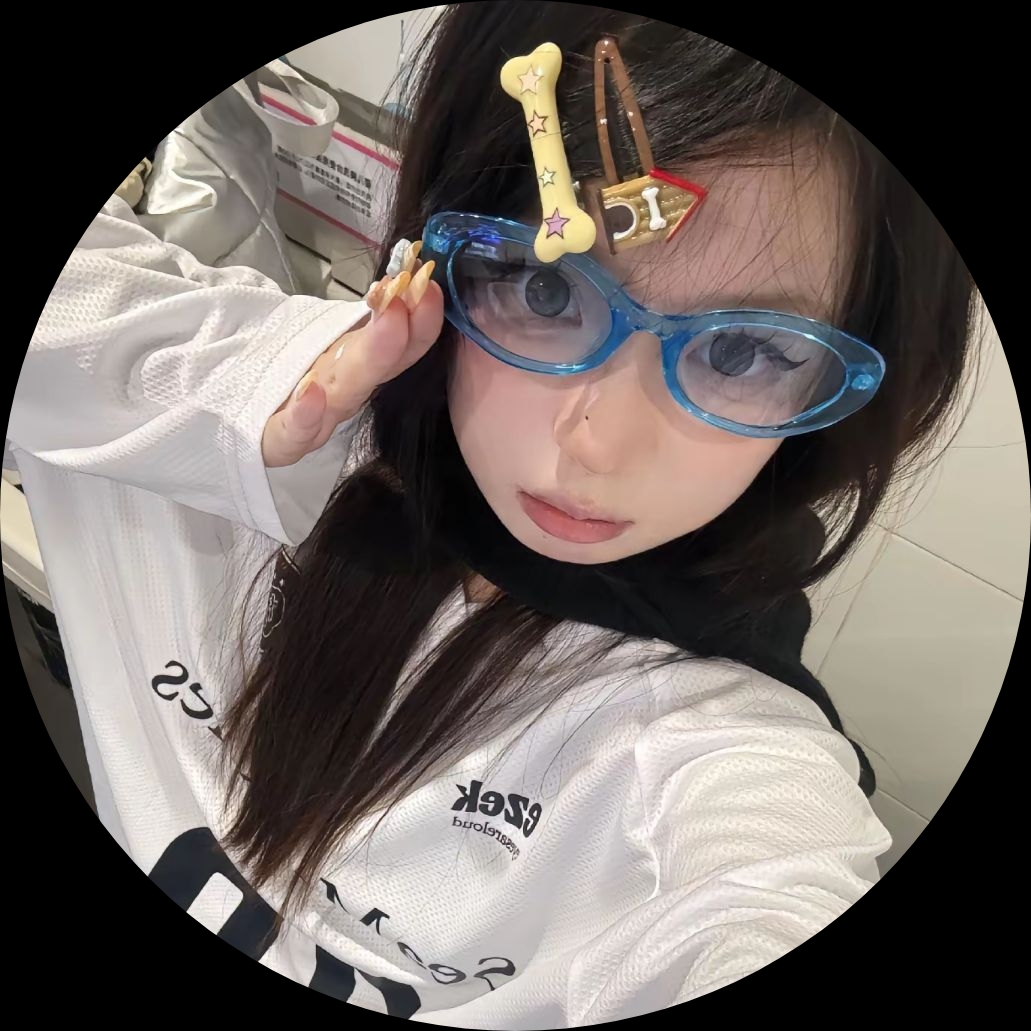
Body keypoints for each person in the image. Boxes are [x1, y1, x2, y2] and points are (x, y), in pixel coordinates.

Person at [8, 4, 975, 1023]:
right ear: (437, 249)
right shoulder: (203, 442)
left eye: (743, 351)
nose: (596, 444)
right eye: (546, 291)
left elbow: (762, 898)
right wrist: (258, 381)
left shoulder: (709, 760)